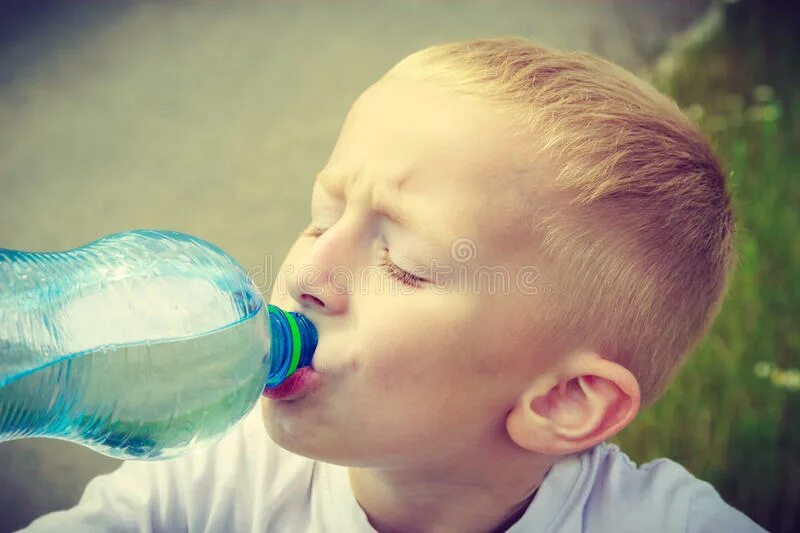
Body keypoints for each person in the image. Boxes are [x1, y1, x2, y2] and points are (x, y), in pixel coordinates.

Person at [21, 37, 766, 532]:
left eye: (404, 263)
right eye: (321, 216)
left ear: (562, 400)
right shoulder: (219, 475)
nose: (306, 273)